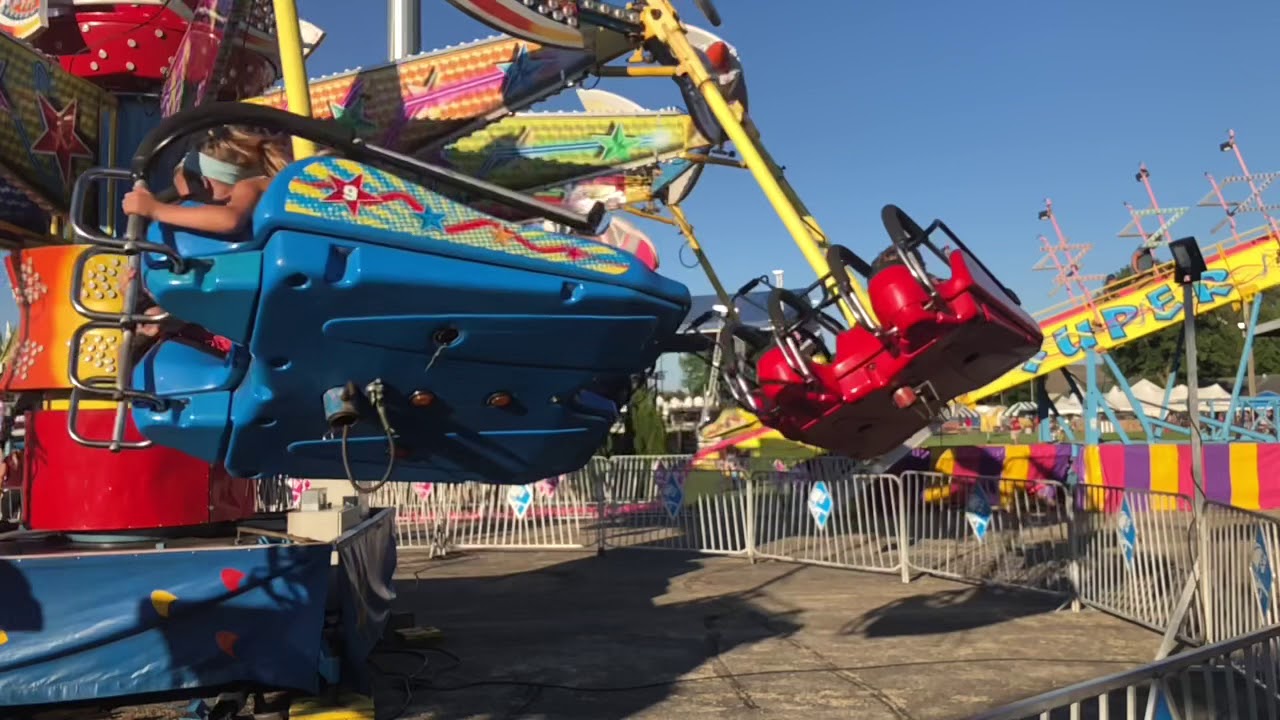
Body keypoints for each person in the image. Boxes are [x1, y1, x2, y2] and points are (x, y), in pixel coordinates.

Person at [122, 125, 291, 235]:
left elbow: (229, 220)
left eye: (194, 196)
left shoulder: (255, 186)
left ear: (205, 183)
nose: (194, 203)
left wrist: (155, 209)